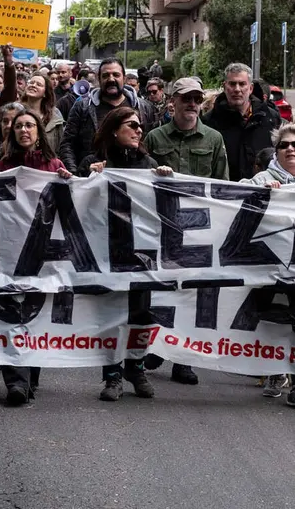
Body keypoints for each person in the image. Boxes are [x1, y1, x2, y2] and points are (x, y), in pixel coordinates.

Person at [78, 105, 173, 402]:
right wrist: (88, 179)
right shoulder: (93, 163)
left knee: (141, 315)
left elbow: (163, 210)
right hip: (106, 252)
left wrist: (166, 182)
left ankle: (136, 367)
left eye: (140, 126)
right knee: (111, 315)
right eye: (131, 125)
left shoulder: (148, 164)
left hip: (140, 254)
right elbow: (76, 208)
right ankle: (112, 375)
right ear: (114, 129)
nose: (138, 130)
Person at [140, 77, 229, 385]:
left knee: (191, 294)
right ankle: (159, 346)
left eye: (196, 99)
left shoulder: (214, 139)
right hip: (160, 226)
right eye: (186, 99)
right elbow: (138, 180)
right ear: (172, 103)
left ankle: (182, 360)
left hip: (198, 229)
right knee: (160, 292)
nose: (191, 104)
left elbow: (221, 185)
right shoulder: (153, 137)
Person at [0, 109, 72, 406]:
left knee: (35, 317)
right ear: (12, 133)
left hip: (43, 255)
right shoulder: (1, 166)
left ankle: (30, 378)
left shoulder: (54, 166)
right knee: (12, 314)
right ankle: (16, 382)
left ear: (39, 132)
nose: (24, 130)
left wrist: (69, 182)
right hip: (9, 252)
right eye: (19, 126)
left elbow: (70, 208)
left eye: (30, 125)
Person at [243, 123, 295, 411]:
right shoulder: (263, 177)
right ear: (277, 152)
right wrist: (261, 193)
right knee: (267, 319)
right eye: (284, 145)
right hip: (268, 265)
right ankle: (276, 370)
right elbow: (231, 195)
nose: (291, 149)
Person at [59, 58, 157, 174]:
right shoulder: (83, 107)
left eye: (116, 75)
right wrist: (75, 176)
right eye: (106, 76)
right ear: (99, 79)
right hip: (92, 181)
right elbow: (68, 144)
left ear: (124, 79)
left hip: (135, 179)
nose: (111, 79)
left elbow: (151, 143)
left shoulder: (144, 108)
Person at [202, 63, 281, 182]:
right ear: (224, 86)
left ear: (250, 88)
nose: (237, 89)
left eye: (242, 84)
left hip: (264, 190)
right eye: (232, 84)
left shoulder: (270, 117)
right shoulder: (210, 121)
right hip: (225, 193)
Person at [21, 72, 65, 153]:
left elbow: (61, 147)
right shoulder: (17, 110)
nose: (33, 85)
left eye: (39, 84)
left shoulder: (55, 115)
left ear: (45, 93)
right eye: (31, 82)